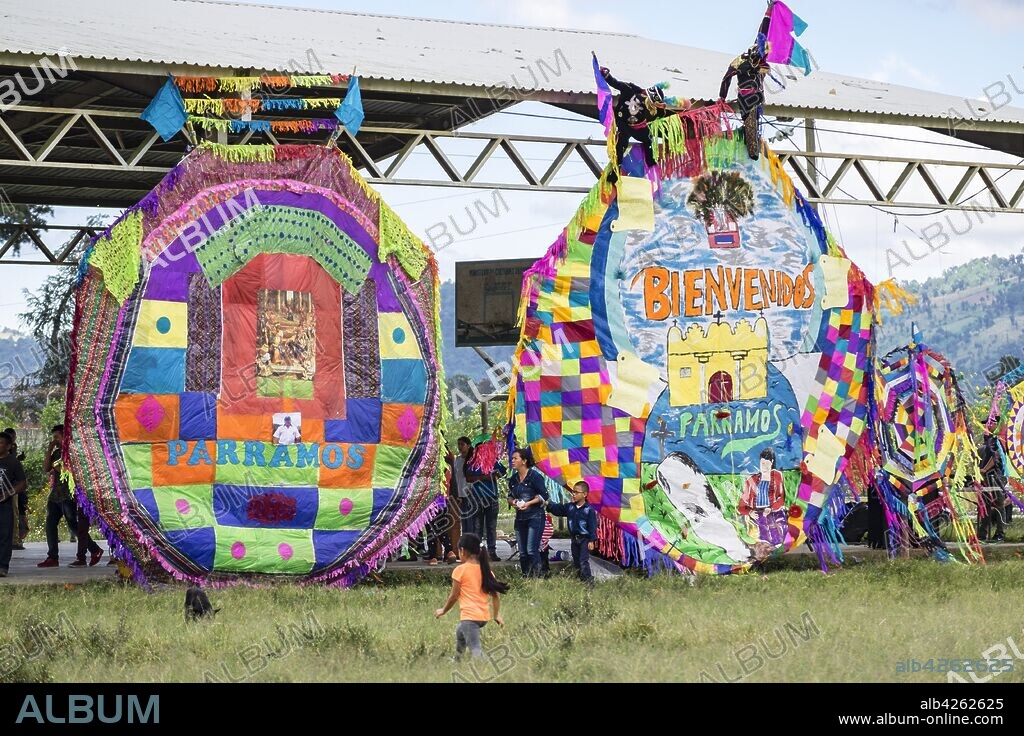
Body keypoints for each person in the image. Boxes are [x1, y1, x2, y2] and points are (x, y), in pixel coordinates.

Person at [599, 66, 681, 183]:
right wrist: (607, 76)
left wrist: (662, 109)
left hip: (639, 128)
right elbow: (617, 84)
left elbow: (660, 117)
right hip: (624, 123)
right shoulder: (630, 90)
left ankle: (651, 163)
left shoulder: (655, 109)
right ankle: (615, 171)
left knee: (648, 139)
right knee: (621, 144)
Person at [434, 533, 507, 660]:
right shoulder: (487, 571)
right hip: (483, 617)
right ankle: (457, 659)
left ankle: (487, 667)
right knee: (460, 632)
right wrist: (496, 615)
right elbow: (495, 595)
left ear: (462, 551)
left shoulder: (460, 570)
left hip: (470, 617)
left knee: (475, 649)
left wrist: (443, 610)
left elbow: (454, 596)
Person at [719, 40, 771, 160]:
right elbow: (727, 77)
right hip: (746, 97)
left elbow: (764, 72)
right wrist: (722, 96)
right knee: (750, 122)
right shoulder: (740, 61)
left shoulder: (761, 64)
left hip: (755, 97)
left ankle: (753, 148)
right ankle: (753, 151)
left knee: (753, 123)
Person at [38, 424, 78, 568]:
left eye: (57, 437)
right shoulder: (55, 453)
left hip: (68, 494)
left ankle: (93, 548)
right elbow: (46, 468)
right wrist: (49, 449)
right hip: (55, 494)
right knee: (50, 525)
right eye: (53, 438)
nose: (55, 440)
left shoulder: (72, 451)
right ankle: (52, 556)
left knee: (73, 524)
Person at [507, 447, 549, 577]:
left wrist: (529, 503)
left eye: (515, 458)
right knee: (523, 552)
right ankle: (526, 577)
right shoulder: (513, 479)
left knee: (531, 550)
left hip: (535, 517)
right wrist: (513, 502)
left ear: (524, 461)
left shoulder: (535, 477)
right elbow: (509, 496)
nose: (512, 461)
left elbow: (544, 496)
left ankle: (537, 578)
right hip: (520, 518)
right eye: (512, 458)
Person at [547, 481, 599, 584]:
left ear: (584, 494)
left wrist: (592, 540)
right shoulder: (570, 507)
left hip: (584, 539)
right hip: (574, 539)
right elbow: (559, 510)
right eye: (572, 492)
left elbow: (592, 526)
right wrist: (549, 504)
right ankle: (580, 578)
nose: (573, 494)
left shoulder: (589, 510)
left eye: (576, 492)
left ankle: (588, 582)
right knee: (576, 560)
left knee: (583, 561)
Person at [738, 448, 787, 547]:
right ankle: (765, 546)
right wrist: (750, 512)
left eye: (766, 463)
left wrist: (771, 508)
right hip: (757, 513)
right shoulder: (751, 480)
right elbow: (742, 505)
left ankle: (777, 544)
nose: (764, 466)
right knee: (762, 535)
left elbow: (781, 498)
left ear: (772, 462)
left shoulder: (777, 476)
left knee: (776, 534)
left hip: (773, 511)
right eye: (762, 463)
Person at [465, 443, 505, 562]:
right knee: (477, 526)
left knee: (491, 526)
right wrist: (484, 477)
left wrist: (496, 474)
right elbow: (468, 477)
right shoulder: (473, 462)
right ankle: (478, 553)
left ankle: (492, 552)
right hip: (477, 498)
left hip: (491, 497)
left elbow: (502, 472)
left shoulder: (493, 461)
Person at [0, 430, 27, 578]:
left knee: (4, 535)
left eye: (1, 443)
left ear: (9, 446)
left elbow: (22, 484)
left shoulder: (13, 462)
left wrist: (8, 493)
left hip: (4, 504)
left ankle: (2, 566)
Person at [978, 430, 1007, 543]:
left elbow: (996, 456)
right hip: (985, 478)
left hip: (996, 477)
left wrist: (985, 469)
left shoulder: (998, 441)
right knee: (985, 506)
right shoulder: (985, 444)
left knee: (999, 505)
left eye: (990, 423)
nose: (986, 427)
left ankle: (1000, 533)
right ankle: (982, 533)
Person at [4, 427, 28, 551]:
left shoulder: (13, 448)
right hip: (9, 486)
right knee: (12, 513)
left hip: (13, 487)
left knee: (15, 513)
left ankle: (14, 539)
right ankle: (13, 540)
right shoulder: (9, 447)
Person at [454, 437, 477, 544]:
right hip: (460, 494)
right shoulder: (457, 460)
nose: (460, 447)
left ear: (468, 445)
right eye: (458, 444)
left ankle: (472, 545)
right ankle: (466, 545)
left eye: (462, 444)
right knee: (464, 521)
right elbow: (456, 477)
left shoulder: (473, 459)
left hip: (470, 493)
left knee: (471, 521)